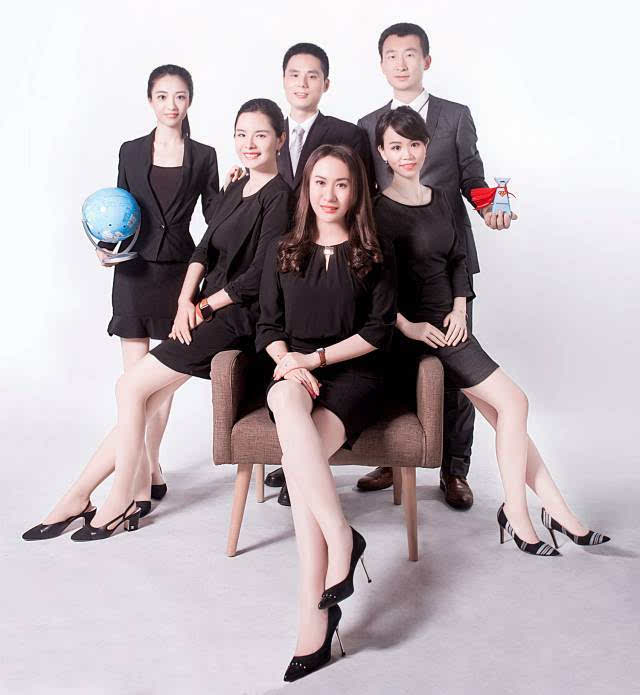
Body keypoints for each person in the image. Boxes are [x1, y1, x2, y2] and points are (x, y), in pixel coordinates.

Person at [22, 98, 290, 542]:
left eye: (260, 135)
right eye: (241, 134)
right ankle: (79, 497)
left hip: (236, 320)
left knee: (130, 388)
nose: (249, 143)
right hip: (202, 310)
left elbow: (259, 276)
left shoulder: (281, 197)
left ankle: (120, 499)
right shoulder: (237, 186)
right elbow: (203, 249)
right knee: (141, 401)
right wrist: (185, 300)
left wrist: (204, 307)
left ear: (279, 139)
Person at [373, 106, 609, 557]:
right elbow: (373, 287)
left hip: (451, 328)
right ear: (382, 152)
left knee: (506, 413)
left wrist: (460, 307)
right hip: (412, 337)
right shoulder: (377, 211)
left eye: (414, 144)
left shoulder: (443, 198)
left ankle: (556, 512)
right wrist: (408, 326)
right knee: (513, 403)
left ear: (426, 147)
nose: (407, 154)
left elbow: (458, 258)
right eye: (396, 146)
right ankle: (521, 514)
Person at [357, 23, 517, 509]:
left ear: (426, 60)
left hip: (447, 266)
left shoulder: (455, 116)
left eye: (410, 54)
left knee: (456, 372)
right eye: (391, 55)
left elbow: (473, 177)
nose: (401, 63)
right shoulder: (367, 125)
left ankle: (455, 469)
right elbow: (362, 193)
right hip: (394, 268)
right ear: (381, 64)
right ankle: (393, 455)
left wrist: (490, 208)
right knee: (392, 362)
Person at [256, 144, 396, 681]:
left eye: (341, 184)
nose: (329, 194)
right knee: (283, 397)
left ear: (356, 191)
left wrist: (313, 359)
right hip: (294, 372)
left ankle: (311, 620)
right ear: (306, 188)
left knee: (296, 462)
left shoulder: (374, 251)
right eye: (320, 182)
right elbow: (268, 328)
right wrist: (289, 364)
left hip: (354, 376)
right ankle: (342, 536)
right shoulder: (283, 248)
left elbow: (378, 332)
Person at [97, 64, 219, 504]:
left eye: (180, 96)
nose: (172, 105)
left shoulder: (204, 155)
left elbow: (216, 219)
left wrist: (238, 192)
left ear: (190, 101)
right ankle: (146, 472)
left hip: (178, 275)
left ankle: (149, 466)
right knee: (134, 380)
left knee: (160, 383)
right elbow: (120, 207)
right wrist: (106, 245)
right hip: (133, 273)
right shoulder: (130, 151)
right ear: (150, 100)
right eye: (163, 96)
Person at [264, 42, 376, 504]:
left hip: (340, 260)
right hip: (288, 261)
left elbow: (364, 193)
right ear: (283, 80)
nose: (303, 83)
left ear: (326, 83)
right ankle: (302, 467)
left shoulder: (347, 134)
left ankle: (299, 469)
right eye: (294, 74)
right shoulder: (269, 133)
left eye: (313, 75)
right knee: (274, 339)